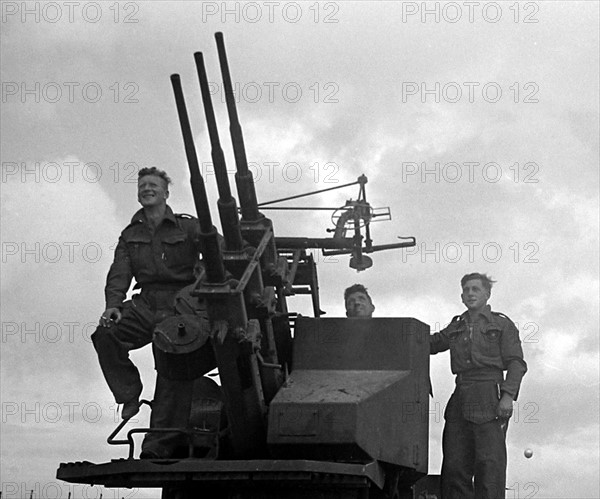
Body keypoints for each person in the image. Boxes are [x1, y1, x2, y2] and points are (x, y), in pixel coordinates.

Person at [92, 167, 201, 423]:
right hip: (146, 303)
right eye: (142, 186)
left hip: (180, 304)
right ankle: (128, 394)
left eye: (153, 185)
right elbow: (119, 274)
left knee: (170, 363)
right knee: (106, 334)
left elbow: (220, 253)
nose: (147, 189)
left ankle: (160, 441)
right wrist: (113, 306)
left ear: (166, 193)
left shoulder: (189, 227)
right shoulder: (131, 235)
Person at [430, 273, 527, 499]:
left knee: (489, 467)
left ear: (487, 294)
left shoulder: (501, 324)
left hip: (489, 396)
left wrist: (507, 396)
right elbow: (431, 344)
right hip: (460, 397)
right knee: (454, 466)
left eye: (476, 289)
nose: (470, 293)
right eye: (466, 290)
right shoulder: (456, 326)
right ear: (462, 296)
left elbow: (516, 363)